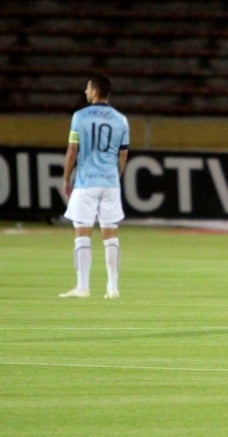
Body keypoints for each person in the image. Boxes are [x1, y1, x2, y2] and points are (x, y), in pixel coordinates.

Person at [59, 73, 129, 300]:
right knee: (111, 235)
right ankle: (112, 288)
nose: (85, 91)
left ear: (96, 91)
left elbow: (72, 150)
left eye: (88, 88)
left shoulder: (79, 117)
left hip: (86, 182)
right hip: (110, 182)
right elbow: (123, 154)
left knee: (82, 233)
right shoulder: (121, 120)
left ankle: (82, 287)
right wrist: (115, 176)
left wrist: (66, 177)